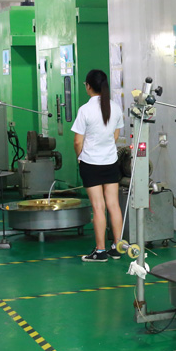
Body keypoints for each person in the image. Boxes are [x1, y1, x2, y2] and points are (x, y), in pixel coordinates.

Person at [71, 69, 125, 262]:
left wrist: (80, 156)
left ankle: (100, 251)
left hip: (90, 163)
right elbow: (116, 135)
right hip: (110, 162)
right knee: (113, 205)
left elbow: (78, 141)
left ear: (88, 86)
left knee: (98, 207)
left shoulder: (85, 110)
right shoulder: (115, 108)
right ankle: (117, 247)